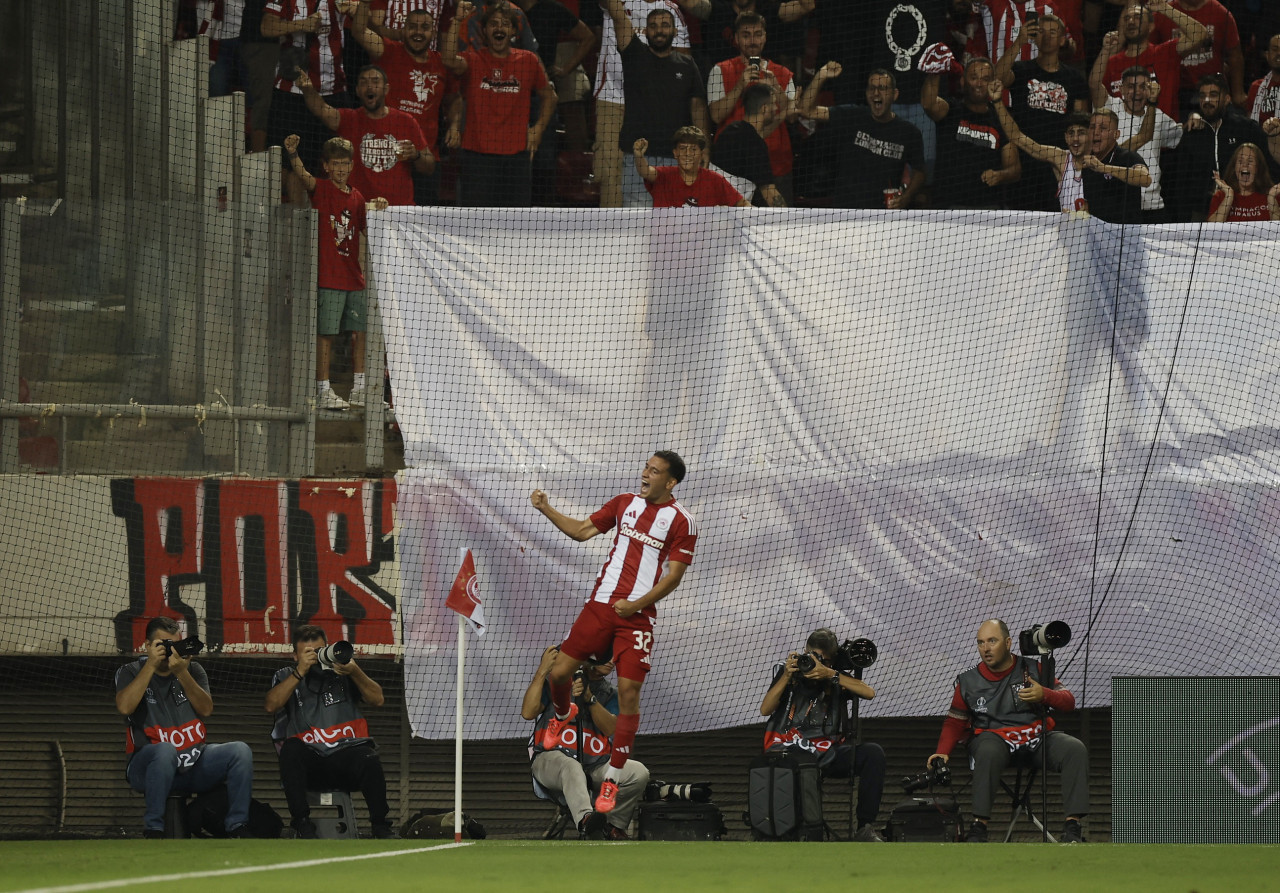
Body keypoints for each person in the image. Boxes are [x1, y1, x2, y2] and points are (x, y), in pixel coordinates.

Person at [529, 450, 698, 815]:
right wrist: (546, 508)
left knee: (629, 692)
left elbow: (673, 577)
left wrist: (636, 605)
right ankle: (562, 714)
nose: (645, 474)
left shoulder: (682, 521)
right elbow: (582, 531)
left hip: (637, 617)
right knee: (558, 673)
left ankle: (613, 777)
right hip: (601, 606)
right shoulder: (624, 504)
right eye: (646, 468)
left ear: (671, 482)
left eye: (654, 472)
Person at [927, 619, 1089, 844]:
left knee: (1074, 749)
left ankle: (1073, 828)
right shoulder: (967, 681)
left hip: (1035, 739)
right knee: (988, 750)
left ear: (1008, 642)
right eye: (981, 642)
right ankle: (978, 829)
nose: (986, 648)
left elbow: (1069, 702)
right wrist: (942, 752)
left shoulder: (1035, 668)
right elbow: (955, 721)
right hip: (993, 739)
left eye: (992, 641)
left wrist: (1045, 694)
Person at [114, 617, 254, 838]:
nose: (168, 651)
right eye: (162, 644)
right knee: (165, 749)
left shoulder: (192, 670)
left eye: (173, 644)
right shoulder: (129, 671)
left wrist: (181, 672)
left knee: (240, 751)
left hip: (192, 763)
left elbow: (206, 709)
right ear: (148, 646)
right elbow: (124, 707)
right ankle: (154, 829)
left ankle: (237, 827)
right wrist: (150, 665)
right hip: (147, 767)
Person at [284, 134, 388, 411]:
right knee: (326, 334)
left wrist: (379, 208)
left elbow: (371, 230)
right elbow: (303, 175)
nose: (341, 169)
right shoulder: (320, 189)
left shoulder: (357, 198)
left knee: (362, 331)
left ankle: (360, 388)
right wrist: (293, 154)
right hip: (328, 276)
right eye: (335, 164)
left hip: (354, 277)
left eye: (345, 164)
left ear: (352, 166)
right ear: (327, 166)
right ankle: (323, 389)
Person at [265, 624, 397, 839]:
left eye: (318, 651)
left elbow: (378, 699)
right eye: (307, 653)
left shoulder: (344, 671)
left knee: (368, 757)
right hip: (311, 766)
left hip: (345, 760)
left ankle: (380, 826)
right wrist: (300, 671)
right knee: (291, 749)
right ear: (294, 655)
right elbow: (271, 705)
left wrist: (355, 671)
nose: (314, 657)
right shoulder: (286, 675)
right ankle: (302, 824)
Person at [758, 628, 887, 842]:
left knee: (873, 754)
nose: (816, 664)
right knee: (797, 763)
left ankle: (864, 828)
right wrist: (787, 676)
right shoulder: (789, 672)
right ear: (805, 653)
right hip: (789, 750)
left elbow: (869, 693)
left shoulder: (834, 676)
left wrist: (831, 674)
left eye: (823, 660)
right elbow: (765, 709)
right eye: (813, 657)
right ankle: (792, 829)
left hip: (828, 752)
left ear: (831, 660)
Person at [522, 646, 650, 840]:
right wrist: (543, 671)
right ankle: (586, 821)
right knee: (571, 765)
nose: (611, 660)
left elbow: (610, 728)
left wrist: (589, 698)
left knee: (638, 772)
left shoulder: (611, 693)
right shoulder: (559, 681)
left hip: (594, 765)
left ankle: (613, 827)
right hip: (550, 760)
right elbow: (528, 713)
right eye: (606, 654)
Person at [442, 0, 557, 206]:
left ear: (513, 31)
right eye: (493, 24)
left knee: (514, 226)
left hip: (516, 158)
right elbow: (449, 60)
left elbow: (550, 96)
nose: (499, 28)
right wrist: (457, 20)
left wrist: (537, 130)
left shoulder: (529, 60)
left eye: (505, 23)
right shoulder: (473, 59)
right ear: (484, 31)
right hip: (477, 157)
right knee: (476, 224)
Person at [600, 0, 713, 208]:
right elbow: (617, 13)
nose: (659, 31)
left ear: (674, 30)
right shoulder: (634, 54)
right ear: (645, 30)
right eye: (653, 26)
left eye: (664, 25)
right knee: (636, 226)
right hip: (639, 158)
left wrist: (704, 148)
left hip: (678, 159)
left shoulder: (687, 65)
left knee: (676, 227)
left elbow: (697, 107)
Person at [989, 79, 1154, 216]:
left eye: (1081, 132)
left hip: (1104, 238)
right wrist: (997, 102)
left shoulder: (1109, 158)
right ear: (1066, 137)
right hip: (1070, 241)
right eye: (1071, 133)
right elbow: (1017, 137)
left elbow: (1144, 176)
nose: (1075, 138)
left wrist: (1104, 168)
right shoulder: (1061, 158)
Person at [350, 4, 460, 205]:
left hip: (425, 159)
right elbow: (358, 31)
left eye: (425, 27)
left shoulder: (442, 63)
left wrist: (454, 126)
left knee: (422, 228)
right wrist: (365, 3)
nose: (418, 32)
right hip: (389, 159)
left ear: (433, 31)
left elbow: (454, 100)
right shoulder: (388, 50)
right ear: (404, 29)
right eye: (412, 27)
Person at [295, 65, 434, 208]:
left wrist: (416, 155)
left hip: (399, 212)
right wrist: (308, 89)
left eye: (375, 82)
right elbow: (322, 110)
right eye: (363, 83)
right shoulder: (348, 119)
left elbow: (430, 166)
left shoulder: (406, 121)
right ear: (357, 91)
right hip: (361, 211)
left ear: (386, 89)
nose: (369, 87)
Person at [263, 0, 357, 205]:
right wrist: (302, 24)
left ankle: (337, 218)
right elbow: (266, 27)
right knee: (291, 165)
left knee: (341, 160)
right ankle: (299, 227)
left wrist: (357, 8)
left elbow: (359, 20)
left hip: (333, 91)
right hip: (291, 93)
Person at [992, 14, 1090, 211]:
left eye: (1053, 32)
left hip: (1058, 164)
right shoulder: (1022, 69)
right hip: (1022, 159)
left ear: (1062, 39)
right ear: (1035, 37)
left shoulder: (1075, 78)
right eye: (1042, 31)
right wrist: (1019, 42)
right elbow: (998, 77)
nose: (1047, 36)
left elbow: (1081, 122)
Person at [798, 64, 926, 210]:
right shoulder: (852, 116)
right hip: (846, 212)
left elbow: (920, 172)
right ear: (866, 93)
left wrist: (906, 197)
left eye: (882, 88)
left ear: (894, 95)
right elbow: (806, 111)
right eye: (871, 88)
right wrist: (821, 75)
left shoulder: (909, 132)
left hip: (884, 215)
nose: (876, 93)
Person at [707, 13, 797, 202]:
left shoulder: (782, 73)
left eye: (758, 34)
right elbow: (715, 116)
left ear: (765, 37)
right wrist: (740, 85)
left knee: (780, 226)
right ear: (737, 39)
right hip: (734, 170)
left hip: (776, 166)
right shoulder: (720, 70)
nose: (752, 40)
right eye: (746, 35)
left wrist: (776, 88)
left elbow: (792, 116)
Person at [1172, 73, 1280, 220]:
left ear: (1227, 99)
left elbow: (1269, 163)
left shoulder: (1246, 128)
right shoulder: (1192, 133)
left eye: (1213, 95)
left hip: (1241, 209)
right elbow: (1181, 182)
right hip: (1202, 213)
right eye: (1203, 96)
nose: (1207, 100)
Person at [921, 56, 1021, 209]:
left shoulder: (1000, 118)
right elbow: (929, 104)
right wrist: (935, 72)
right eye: (974, 77)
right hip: (948, 207)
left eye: (985, 79)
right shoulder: (951, 109)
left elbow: (1015, 169)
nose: (979, 84)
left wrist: (1000, 175)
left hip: (988, 209)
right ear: (963, 81)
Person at [1090, 1, 1208, 122]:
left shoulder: (1165, 53)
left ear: (1151, 26)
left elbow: (1199, 34)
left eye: (1137, 17)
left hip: (1164, 135)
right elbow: (1096, 93)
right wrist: (1105, 50)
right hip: (1124, 136)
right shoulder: (1111, 63)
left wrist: (1165, 9)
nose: (1131, 21)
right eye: (1127, 18)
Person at [1106, 65, 1184, 222]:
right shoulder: (1111, 108)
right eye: (1131, 86)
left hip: (1152, 206)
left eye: (1143, 86)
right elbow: (1094, 84)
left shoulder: (1160, 117)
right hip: (1118, 203)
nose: (1137, 92)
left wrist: (1194, 118)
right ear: (1121, 89)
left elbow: (1182, 134)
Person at [1150, 0, 1247, 112]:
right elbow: (1152, 52)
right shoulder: (1163, 12)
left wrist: (1238, 92)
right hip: (1177, 92)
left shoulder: (1220, 12)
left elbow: (1234, 54)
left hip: (1213, 89)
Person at [711, 83, 787, 206]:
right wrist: (788, 221)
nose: (776, 108)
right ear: (764, 108)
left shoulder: (730, 130)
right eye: (773, 103)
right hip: (731, 215)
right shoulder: (756, 145)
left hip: (712, 208)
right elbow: (770, 193)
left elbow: (755, 137)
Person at [633, 129, 751, 207]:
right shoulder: (663, 175)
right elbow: (645, 171)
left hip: (702, 245)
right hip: (666, 243)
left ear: (701, 154)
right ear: (675, 153)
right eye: (683, 148)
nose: (687, 153)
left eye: (693, 149)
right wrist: (639, 156)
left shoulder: (714, 180)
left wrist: (765, 217)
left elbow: (743, 204)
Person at [1207, 142, 1280, 219]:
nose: (1245, 164)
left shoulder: (1274, 195)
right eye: (1240, 161)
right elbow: (1212, 229)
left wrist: (1271, 198)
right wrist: (1229, 196)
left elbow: (1277, 229)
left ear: (1258, 168)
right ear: (1234, 168)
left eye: (1250, 161)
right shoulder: (1221, 196)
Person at [1246, 33, 1280, 127]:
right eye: (1275, 49)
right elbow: (1250, 125)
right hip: (1260, 139)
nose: (1279, 53)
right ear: (1267, 55)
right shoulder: (1256, 87)